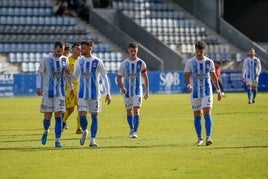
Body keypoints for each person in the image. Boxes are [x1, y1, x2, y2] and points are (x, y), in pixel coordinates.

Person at [71, 40, 111, 147]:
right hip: (82, 94)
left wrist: (108, 93)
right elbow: (75, 77)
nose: (81, 50)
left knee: (94, 117)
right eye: (81, 48)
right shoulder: (79, 62)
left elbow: (104, 77)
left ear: (90, 48)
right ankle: (85, 131)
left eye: (83, 48)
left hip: (94, 94)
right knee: (82, 116)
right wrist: (66, 74)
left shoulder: (97, 61)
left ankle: (93, 140)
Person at [36, 41, 74, 148]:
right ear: (54, 49)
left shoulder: (64, 59)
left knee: (58, 117)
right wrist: (38, 87)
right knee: (47, 118)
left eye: (61, 51)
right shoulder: (46, 59)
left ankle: (57, 140)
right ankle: (46, 131)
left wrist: (71, 87)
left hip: (60, 93)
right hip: (48, 93)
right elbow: (39, 73)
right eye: (58, 51)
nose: (60, 53)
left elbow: (66, 75)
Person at [184, 41, 222, 146]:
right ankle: (199, 138)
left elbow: (214, 77)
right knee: (197, 115)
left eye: (201, 51)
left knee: (207, 113)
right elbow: (186, 76)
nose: (199, 53)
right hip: (195, 92)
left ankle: (208, 137)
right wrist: (188, 85)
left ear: (204, 50)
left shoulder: (209, 62)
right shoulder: (190, 62)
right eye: (197, 51)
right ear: (195, 50)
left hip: (207, 91)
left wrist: (218, 91)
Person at [116, 42, 149, 138]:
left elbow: (145, 77)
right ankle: (131, 128)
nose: (133, 52)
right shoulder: (124, 64)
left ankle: (135, 132)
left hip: (138, 91)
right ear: (128, 51)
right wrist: (122, 87)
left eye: (135, 50)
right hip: (127, 92)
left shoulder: (141, 63)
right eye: (131, 50)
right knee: (129, 111)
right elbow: (118, 78)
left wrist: (147, 91)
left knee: (136, 109)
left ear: (137, 50)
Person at [62, 43, 83, 134]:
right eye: (77, 49)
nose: (80, 50)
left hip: (80, 88)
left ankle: (79, 128)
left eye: (80, 49)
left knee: (80, 108)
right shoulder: (67, 60)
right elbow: (64, 75)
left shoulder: (82, 61)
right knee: (70, 109)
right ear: (73, 50)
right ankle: (63, 122)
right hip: (69, 88)